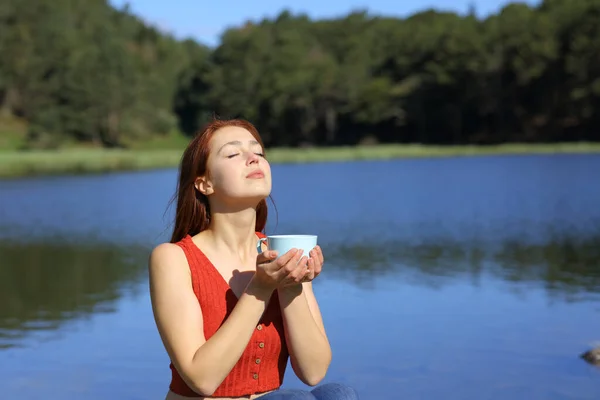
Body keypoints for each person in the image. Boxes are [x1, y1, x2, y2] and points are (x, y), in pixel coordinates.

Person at [149, 118, 359, 400]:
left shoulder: (282, 252)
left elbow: (313, 371)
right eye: (234, 154)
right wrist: (259, 289)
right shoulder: (173, 258)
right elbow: (202, 380)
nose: (253, 159)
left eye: (258, 153)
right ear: (204, 183)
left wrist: (290, 285)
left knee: (339, 394)